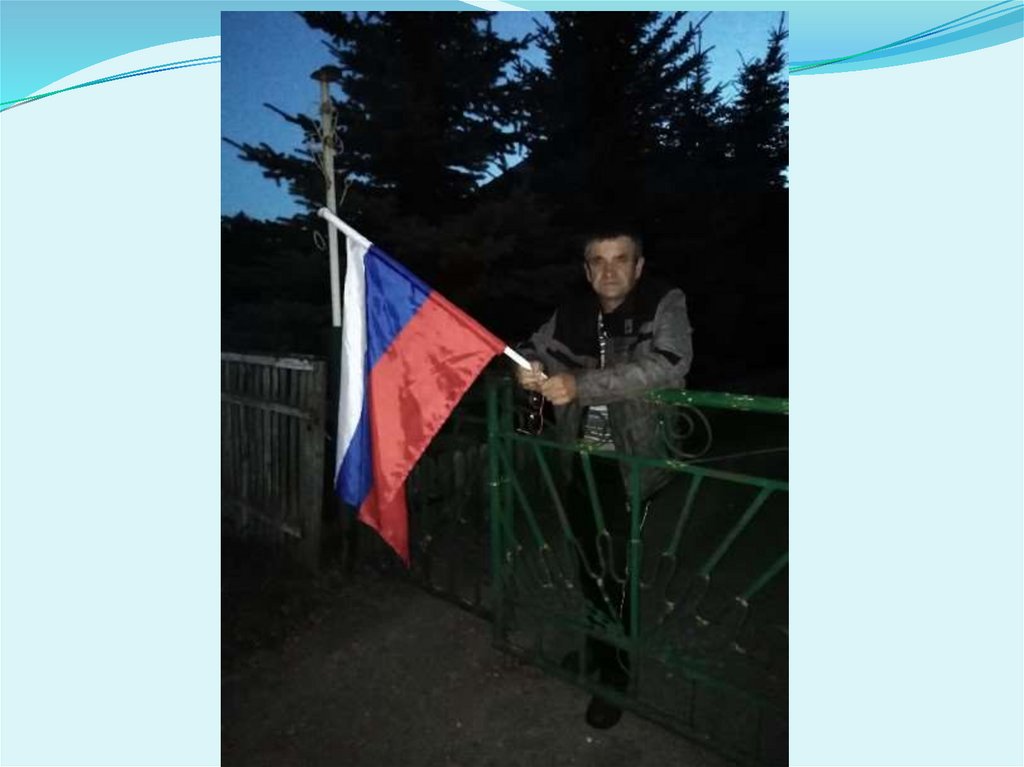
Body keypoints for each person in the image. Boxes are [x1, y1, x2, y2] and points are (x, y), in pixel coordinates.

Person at [516, 229, 693, 729]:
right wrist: (528, 368)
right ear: (587, 269)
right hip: (581, 459)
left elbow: (669, 363)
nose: (609, 270)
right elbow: (531, 346)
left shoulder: (664, 301)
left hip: (632, 463)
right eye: (598, 260)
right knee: (589, 563)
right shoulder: (573, 310)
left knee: (615, 571)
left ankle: (615, 675)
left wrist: (582, 385)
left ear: (638, 266)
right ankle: (599, 647)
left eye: (620, 259)